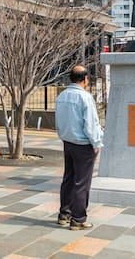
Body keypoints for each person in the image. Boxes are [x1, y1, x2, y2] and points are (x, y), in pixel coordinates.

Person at [55, 65, 104, 230]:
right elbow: (90, 124)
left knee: (68, 178)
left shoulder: (62, 96)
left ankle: (64, 214)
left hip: (68, 142)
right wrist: (96, 142)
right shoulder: (85, 97)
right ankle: (78, 218)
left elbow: (58, 121)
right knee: (82, 182)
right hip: (83, 144)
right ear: (84, 79)